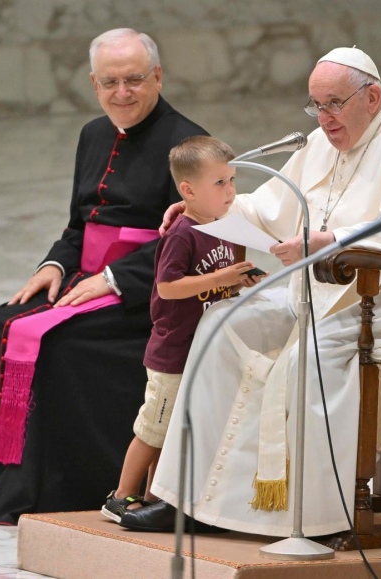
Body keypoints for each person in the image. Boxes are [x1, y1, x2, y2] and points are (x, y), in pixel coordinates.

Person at [118, 47, 381, 536]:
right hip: (320, 288)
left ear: (372, 97)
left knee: (309, 360)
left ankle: (311, 514)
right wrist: (207, 212)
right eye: (315, 106)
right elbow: (268, 207)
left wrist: (334, 242)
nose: (323, 119)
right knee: (221, 323)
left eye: (333, 104)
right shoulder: (326, 143)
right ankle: (183, 500)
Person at [0, 28, 208, 525]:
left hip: (147, 296)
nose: (121, 93)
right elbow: (80, 224)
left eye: (134, 80)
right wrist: (54, 265)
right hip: (85, 275)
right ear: (93, 83)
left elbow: (193, 242)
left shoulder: (188, 145)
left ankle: (44, 487)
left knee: (59, 342)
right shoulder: (93, 134)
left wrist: (115, 278)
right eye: (109, 82)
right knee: (4, 322)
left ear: (158, 77)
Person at [101, 136, 265, 523]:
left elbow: (218, 278)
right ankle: (120, 496)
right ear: (188, 190)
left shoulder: (224, 227)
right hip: (173, 351)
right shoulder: (182, 234)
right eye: (220, 183)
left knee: (173, 430)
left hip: (201, 348)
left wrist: (241, 278)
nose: (231, 191)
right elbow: (167, 287)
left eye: (232, 180)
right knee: (153, 428)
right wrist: (221, 276)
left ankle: (154, 498)